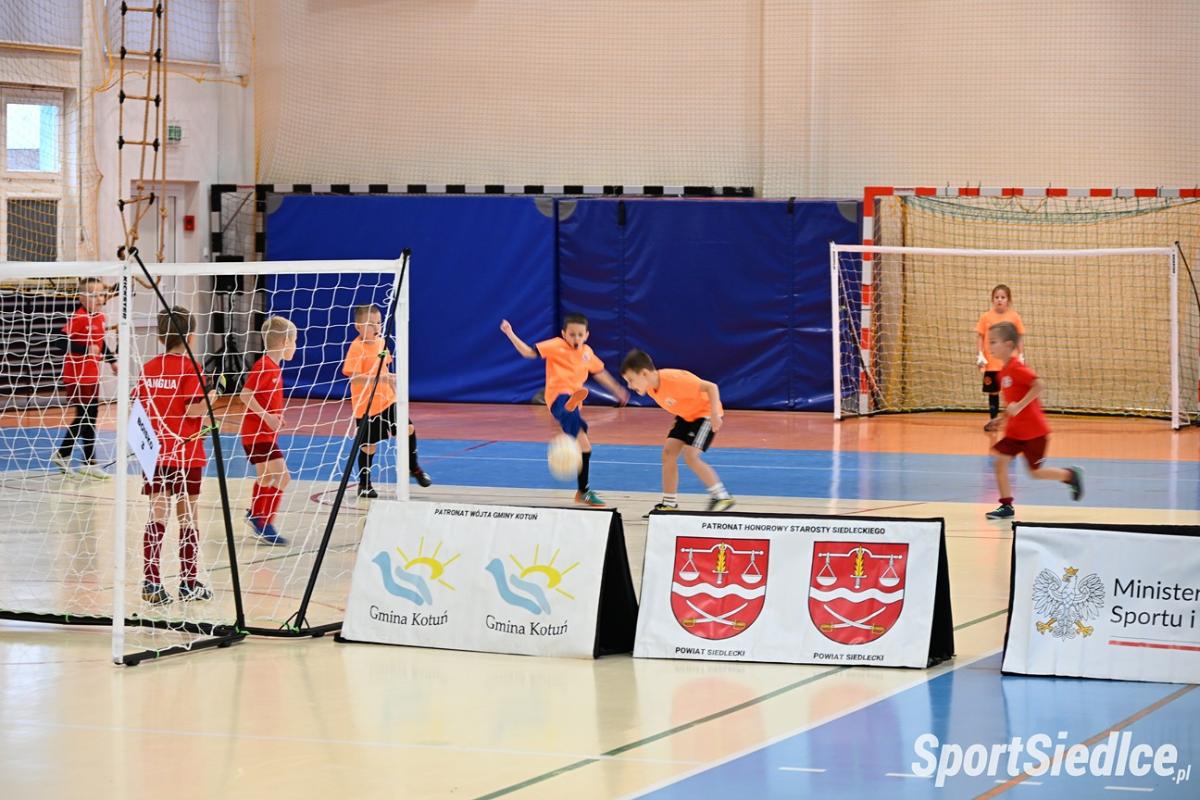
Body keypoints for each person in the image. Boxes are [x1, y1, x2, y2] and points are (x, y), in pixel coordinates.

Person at [500, 313, 628, 506]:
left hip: (574, 405)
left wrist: (617, 390)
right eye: (572, 334)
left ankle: (582, 491)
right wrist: (510, 333)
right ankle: (569, 406)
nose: (576, 338)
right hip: (557, 397)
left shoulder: (587, 353)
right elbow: (528, 353)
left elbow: (600, 373)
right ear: (563, 334)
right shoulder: (555, 345)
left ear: (586, 335)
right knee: (566, 405)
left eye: (580, 335)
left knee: (585, 447)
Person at [136, 306, 216, 604]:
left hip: (155, 452)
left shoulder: (149, 368)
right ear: (191, 336)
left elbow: (140, 407)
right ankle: (188, 583)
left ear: (160, 336)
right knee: (188, 516)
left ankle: (152, 581)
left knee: (157, 514)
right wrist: (213, 398)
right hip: (185, 452)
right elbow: (194, 409)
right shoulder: (191, 367)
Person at [984, 321, 1083, 520]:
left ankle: (1070, 475)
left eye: (993, 342)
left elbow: (1038, 385)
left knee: (1035, 473)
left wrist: (1020, 406)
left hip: (1034, 433)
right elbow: (1012, 404)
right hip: (1015, 433)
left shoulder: (1017, 368)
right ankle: (1006, 506)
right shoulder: (1003, 372)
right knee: (1000, 463)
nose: (989, 346)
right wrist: (1001, 419)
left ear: (1008, 345)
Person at [620, 349, 734, 515]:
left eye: (631, 380)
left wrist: (715, 415)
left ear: (644, 373)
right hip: (686, 416)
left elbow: (711, 387)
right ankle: (669, 503)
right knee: (668, 453)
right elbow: (678, 401)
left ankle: (722, 496)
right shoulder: (651, 388)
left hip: (705, 414)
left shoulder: (675, 379)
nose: (630, 386)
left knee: (690, 456)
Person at [343, 304, 431, 499]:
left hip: (388, 400)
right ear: (358, 327)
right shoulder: (356, 348)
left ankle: (413, 467)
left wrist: (393, 384)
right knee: (369, 445)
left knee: (408, 429)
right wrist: (380, 379)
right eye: (370, 324)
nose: (376, 327)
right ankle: (365, 484)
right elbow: (355, 379)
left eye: (378, 323)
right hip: (367, 407)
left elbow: (384, 371)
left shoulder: (381, 343)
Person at [239, 316, 296, 546]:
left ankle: (255, 514)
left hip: (264, 433)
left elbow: (265, 399)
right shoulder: (264, 366)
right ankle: (265, 523)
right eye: (294, 341)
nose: (295, 346)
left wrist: (276, 417)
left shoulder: (273, 367)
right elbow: (245, 395)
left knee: (265, 477)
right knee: (283, 477)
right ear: (284, 342)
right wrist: (268, 417)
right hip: (257, 434)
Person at [51, 277, 116, 479]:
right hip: (76, 376)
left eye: (101, 294)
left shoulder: (100, 317)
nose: (99, 298)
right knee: (85, 415)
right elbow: (60, 342)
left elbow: (100, 343)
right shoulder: (79, 317)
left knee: (90, 416)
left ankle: (84, 461)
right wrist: (85, 349)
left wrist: (112, 361)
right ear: (81, 298)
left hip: (92, 375)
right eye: (93, 295)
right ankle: (71, 456)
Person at [976, 284, 1025, 429]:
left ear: (1008, 300)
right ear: (992, 299)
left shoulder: (1014, 317)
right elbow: (980, 336)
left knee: (1013, 392)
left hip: (1009, 364)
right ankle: (993, 420)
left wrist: (1021, 355)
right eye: (996, 297)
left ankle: (1015, 422)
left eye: (1003, 297)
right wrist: (980, 354)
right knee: (993, 392)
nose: (999, 300)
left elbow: (1019, 337)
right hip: (992, 363)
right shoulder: (985, 317)